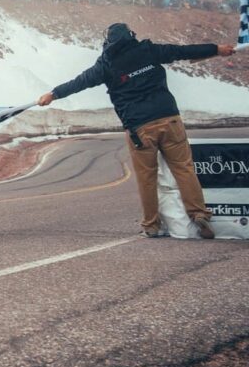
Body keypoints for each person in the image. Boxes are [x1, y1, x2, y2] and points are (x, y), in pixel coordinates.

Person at [38, 23, 236, 238]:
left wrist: (53, 94)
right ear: (131, 36)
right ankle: (198, 214)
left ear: (108, 42)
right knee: (184, 169)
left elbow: (79, 82)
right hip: (169, 119)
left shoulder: (106, 64)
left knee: (147, 177)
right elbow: (184, 51)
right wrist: (216, 49)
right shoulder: (149, 50)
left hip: (139, 128)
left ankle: (151, 225)